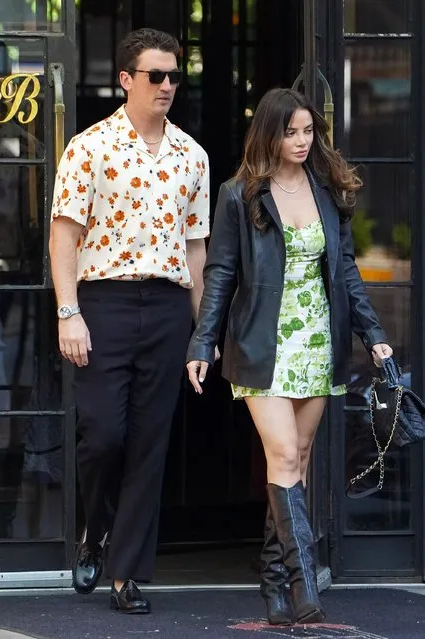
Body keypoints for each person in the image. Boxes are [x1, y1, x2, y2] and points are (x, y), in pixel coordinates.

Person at [186, 88, 393, 625]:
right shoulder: (239, 194)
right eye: (291, 132)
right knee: (281, 456)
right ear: (270, 135)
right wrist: (202, 341)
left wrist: (373, 333)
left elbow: (345, 270)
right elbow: (220, 274)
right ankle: (304, 585)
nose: (301, 142)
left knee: (297, 462)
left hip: (319, 341)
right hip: (261, 343)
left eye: (308, 132)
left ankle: (273, 583)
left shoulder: (327, 191)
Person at [49, 28, 210, 613]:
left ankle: (127, 573)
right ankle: (96, 529)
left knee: (149, 442)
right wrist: (69, 312)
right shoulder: (88, 147)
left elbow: (196, 249)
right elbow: (64, 233)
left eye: (173, 76)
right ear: (126, 80)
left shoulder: (194, 155)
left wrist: (202, 332)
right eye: (155, 76)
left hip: (168, 307)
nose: (167, 85)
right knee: (103, 435)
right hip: (103, 303)